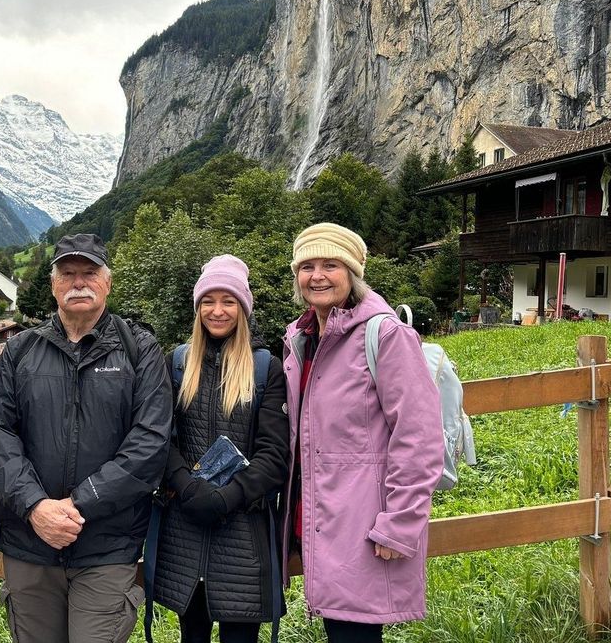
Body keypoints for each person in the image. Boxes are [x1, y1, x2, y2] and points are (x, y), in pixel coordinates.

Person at [0, 233, 172, 643]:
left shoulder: (139, 350)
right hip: (29, 542)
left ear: (108, 282)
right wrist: (36, 507)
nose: (79, 282)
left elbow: (149, 444)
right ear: (53, 284)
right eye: (68, 274)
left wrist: (77, 503)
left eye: (90, 273)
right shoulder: (20, 352)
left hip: (106, 545)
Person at [280, 223, 444, 643]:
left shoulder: (385, 335)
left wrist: (400, 524)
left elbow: (419, 437)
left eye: (330, 265)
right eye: (307, 265)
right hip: (322, 517)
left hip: (366, 522)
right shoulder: (301, 339)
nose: (316, 275)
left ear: (352, 273)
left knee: (354, 633)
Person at [152, 255, 289, 643]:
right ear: (197, 308)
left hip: (243, 529)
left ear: (243, 308)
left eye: (228, 301)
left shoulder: (266, 369)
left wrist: (229, 496)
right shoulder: (177, 363)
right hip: (186, 527)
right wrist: (189, 487)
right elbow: (161, 437)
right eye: (208, 301)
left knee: (239, 635)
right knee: (191, 634)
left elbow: (274, 453)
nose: (217, 310)